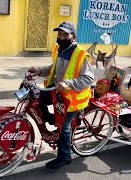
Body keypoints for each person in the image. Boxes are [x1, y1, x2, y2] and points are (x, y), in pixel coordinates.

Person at [28, 21, 94, 169]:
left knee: (64, 126)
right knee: (38, 99)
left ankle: (65, 157)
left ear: (74, 37)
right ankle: (52, 120)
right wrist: (40, 70)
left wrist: (68, 84)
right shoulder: (59, 48)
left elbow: (89, 79)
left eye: (65, 34)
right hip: (59, 91)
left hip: (73, 98)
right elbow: (55, 68)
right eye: (60, 34)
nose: (62, 37)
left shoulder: (81, 54)